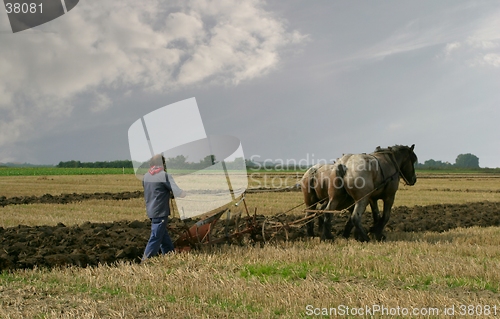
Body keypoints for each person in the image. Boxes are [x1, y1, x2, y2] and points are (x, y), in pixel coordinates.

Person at [142, 154, 186, 262]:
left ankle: (170, 254)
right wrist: (185, 193)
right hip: (160, 211)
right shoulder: (164, 175)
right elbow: (177, 192)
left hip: (151, 210)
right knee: (156, 236)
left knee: (163, 234)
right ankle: (146, 260)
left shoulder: (146, 176)